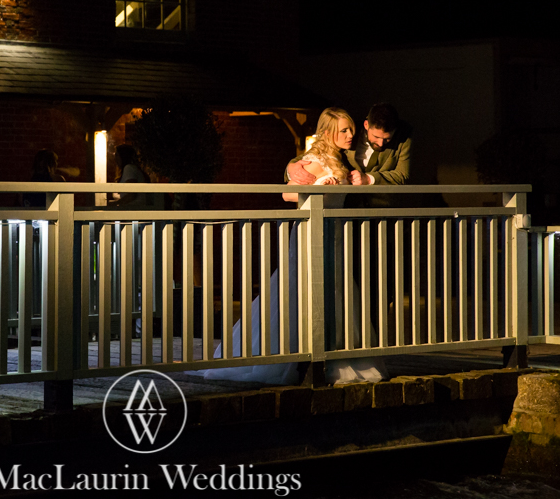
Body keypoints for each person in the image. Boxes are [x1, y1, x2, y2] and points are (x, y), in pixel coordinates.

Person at [204, 108, 387, 385]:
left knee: (335, 291)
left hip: (335, 235)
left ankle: (332, 351)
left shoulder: (341, 157)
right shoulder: (315, 159)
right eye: (344, 130)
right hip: (311, 234)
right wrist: (319, 184)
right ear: (327, 132)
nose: (350, 135)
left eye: (351, 129)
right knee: (300, 289)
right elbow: (288, 192)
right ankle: (296, 352)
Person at [287, 102, 411, 208]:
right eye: (376, 137)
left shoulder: (404, 136)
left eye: (387, 139)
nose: (381, 143)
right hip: (341, 214)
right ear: (366, 125)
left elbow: (402, 175)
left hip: (379, 211)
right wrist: (291, 167)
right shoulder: (346, 135)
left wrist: (368, 179)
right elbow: (288, 192)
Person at [108, 144, 159, 209]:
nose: (115, 158)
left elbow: (131, 194)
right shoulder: (132, 168)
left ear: (123, 156)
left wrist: (116, 203)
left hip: (134, 209)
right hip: (136, 209)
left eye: (117, 155)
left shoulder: (129, 168)